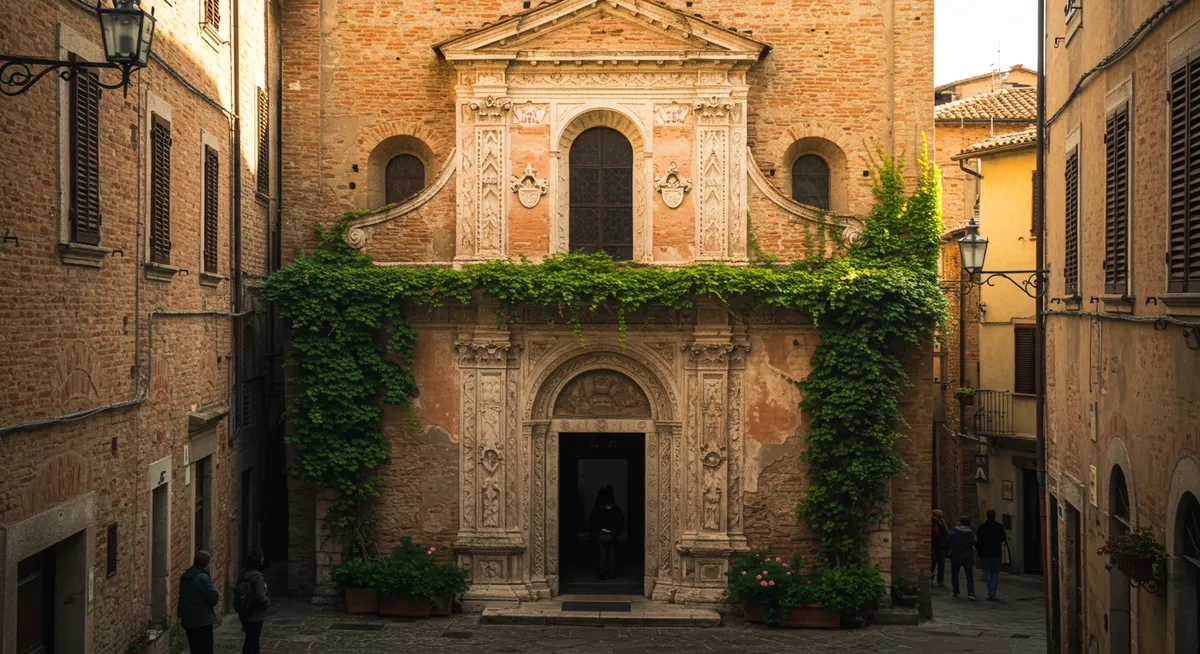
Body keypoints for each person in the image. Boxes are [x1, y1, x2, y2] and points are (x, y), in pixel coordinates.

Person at [178, 550, 220, 654]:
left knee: (195, 649)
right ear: (206, 563)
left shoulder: (186, 576)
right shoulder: (202, 577)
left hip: (188, 619)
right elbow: (214, 596)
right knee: (206, 649)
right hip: (202, 620)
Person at [237, 549, 271, 653]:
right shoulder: (257, 577)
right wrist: (267, 604)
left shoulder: (244, 573)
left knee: (250, 640)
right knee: (253, 642)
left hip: (245, 612)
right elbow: (261, 596)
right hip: (255, 613)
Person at [589, 486, 625, 580]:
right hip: (611, 534)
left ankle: (604, 573)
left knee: (604, 555)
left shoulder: (600, 511)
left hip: (603, 534)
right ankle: (610, 573)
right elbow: (620, 522)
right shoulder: (616, 510)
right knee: (610, 555)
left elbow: (594, 522)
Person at [976, 509, 1008, 600]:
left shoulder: (982, 527)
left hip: (984, 553)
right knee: (995, 572)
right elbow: (1003, 538)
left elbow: (978, 540)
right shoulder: (999, 527)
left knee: (986, 571)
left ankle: (990, 590)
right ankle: (993, 591)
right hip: (996, 552)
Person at [946, 516, 977, 600]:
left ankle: (956, 591)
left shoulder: (954, 532)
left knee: (955, 574)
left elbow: (947, 540)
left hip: (956, 556)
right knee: (969, 575)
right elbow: (975, 543)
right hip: (968, 556)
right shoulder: (971, 533)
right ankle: (971, 592)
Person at [930, 509, 950, 587]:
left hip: (934, 545)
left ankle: (932, 579)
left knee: (933, 563)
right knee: (940, 563)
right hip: (941, 545)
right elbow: (946, 533)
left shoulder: (934, 522)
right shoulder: (942, 522)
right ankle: (940, 580)